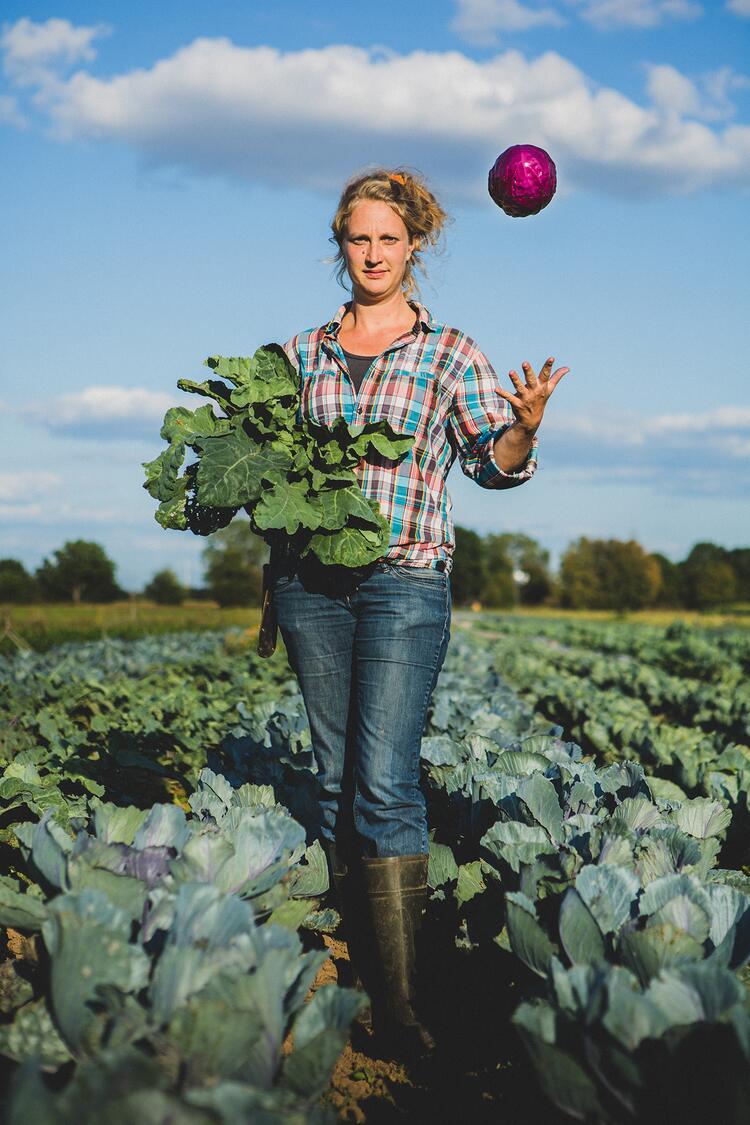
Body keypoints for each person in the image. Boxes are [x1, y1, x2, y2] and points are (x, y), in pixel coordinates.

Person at [272, 167, 569, 1062]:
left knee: (386, 779)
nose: (373, 253)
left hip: (404, 579)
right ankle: (350, 955)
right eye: (359, 238)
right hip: (309, 585)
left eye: (389, 239)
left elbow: (492, 462)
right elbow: (270, 469)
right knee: (333, 778)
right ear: (341, 244)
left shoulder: (449, 353)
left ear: (414, 248)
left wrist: (523, 425)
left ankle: (400, 1005)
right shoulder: (298, 354)